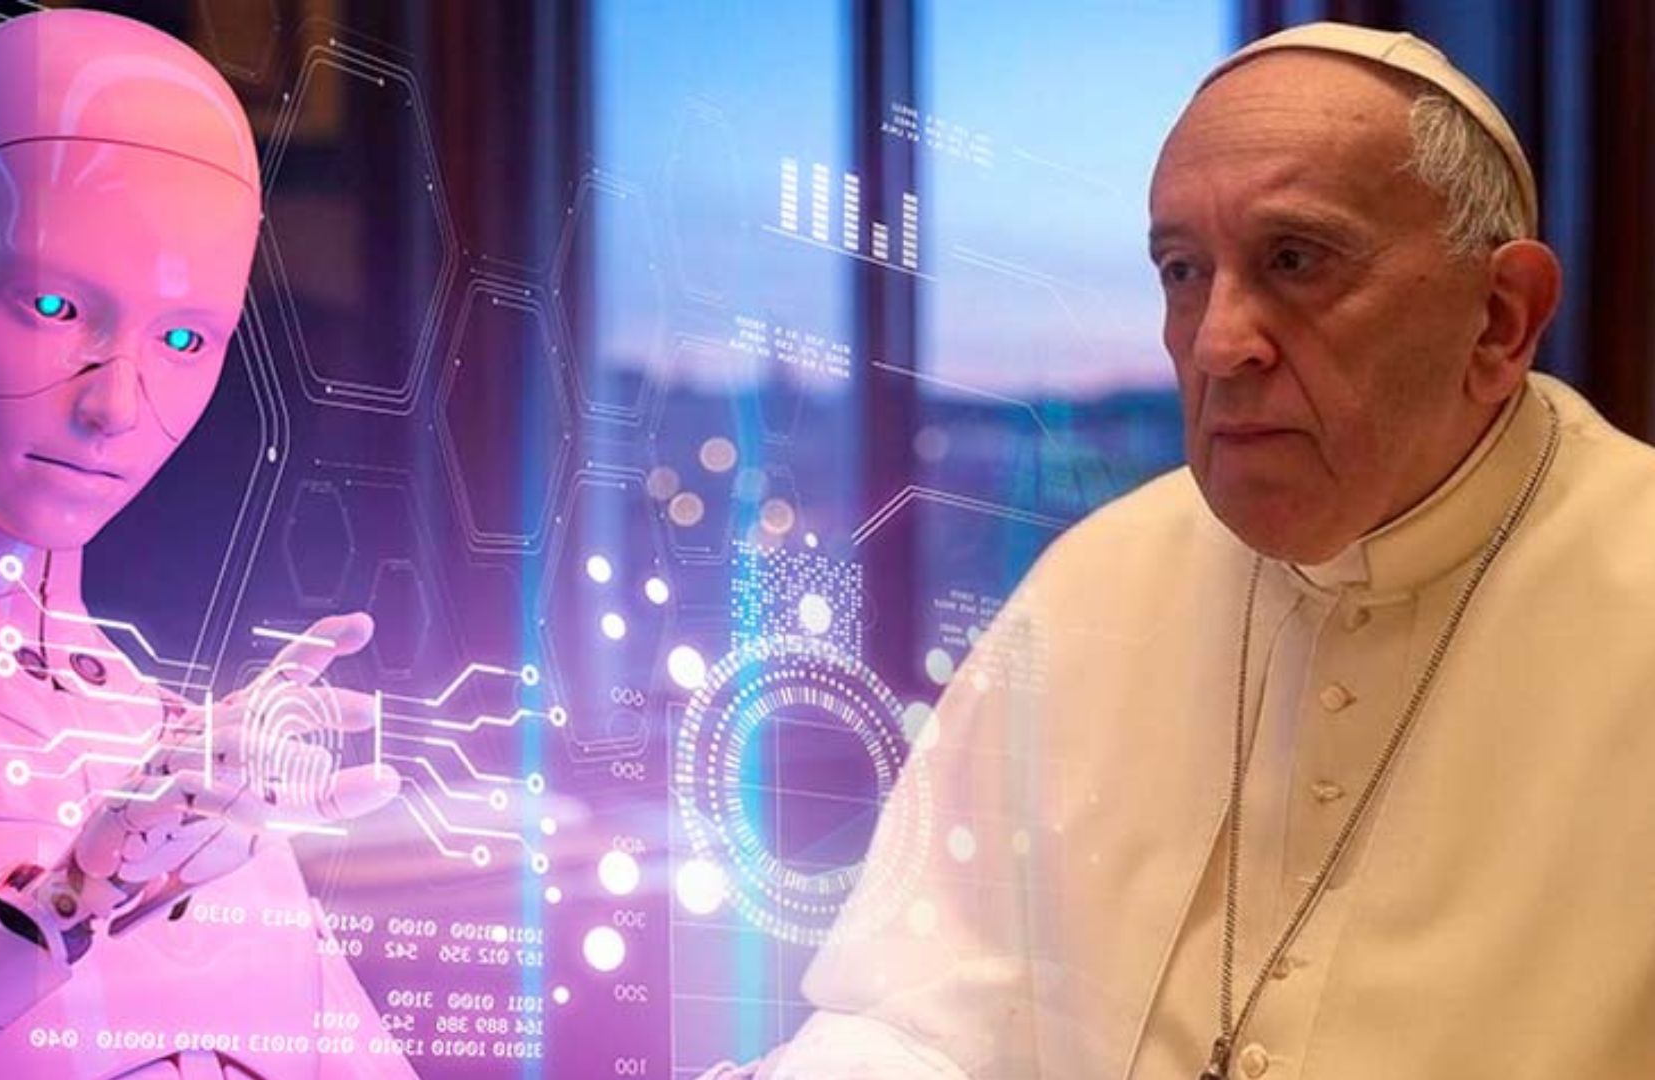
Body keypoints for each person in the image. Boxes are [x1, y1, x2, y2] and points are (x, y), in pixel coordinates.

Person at [709, 21, 1655, 1080]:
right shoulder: (1097, 582)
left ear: (1499, 317)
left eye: (1295, 260)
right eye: (1182, 270)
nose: (1217, 342)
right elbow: (919, 1015)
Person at [0, 10, 415, 1079]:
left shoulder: (197, 778)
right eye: (52, 305)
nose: (115, 407)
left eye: (184, 337)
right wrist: (55, 911)